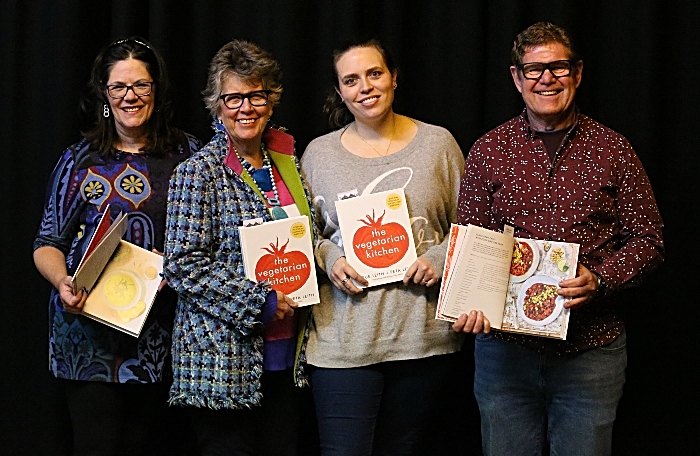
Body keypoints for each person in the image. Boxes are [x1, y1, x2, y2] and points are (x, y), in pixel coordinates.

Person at [454, 21, 665, 456]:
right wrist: (466, 303)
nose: (546, 78)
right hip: (504, 357)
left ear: (578, 73)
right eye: (533, 69)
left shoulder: (614, 149)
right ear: (516, 77)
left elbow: (649, 239)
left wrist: (602, 279)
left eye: (558, 67)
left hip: (591, 352)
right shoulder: (488, 150)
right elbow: (470, 243)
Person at [32, 37, 201, 455]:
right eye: (119, 87)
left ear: (157, 90)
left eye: (141, 86)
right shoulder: (80, 159)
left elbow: (213, 239)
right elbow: (47, 242)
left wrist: (176, 266)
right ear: (104, 95)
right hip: (86, 335)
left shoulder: (190, 155)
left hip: (161, 333)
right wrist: (63, 282)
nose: (130, 96)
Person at [299, 39, 465, 455]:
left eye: (374, 74)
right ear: (340, 92)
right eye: (351, 80)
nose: (365, 87)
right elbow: (302, 234)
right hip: (342, 340)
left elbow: (472, 225)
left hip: (422, 338)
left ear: (393, 77)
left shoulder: (438, 144)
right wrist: (330, 258)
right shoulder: (318, 154)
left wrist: (439, 258)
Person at [163, 39, 314, 456]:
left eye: (256, 95)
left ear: (271, 100)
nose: (245, 107)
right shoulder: (198, 173)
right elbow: (182, 264)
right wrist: (259, 301)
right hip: (222, 361)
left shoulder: (288, 163)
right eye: (233, 98)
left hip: (287, 357)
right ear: (216, 104)